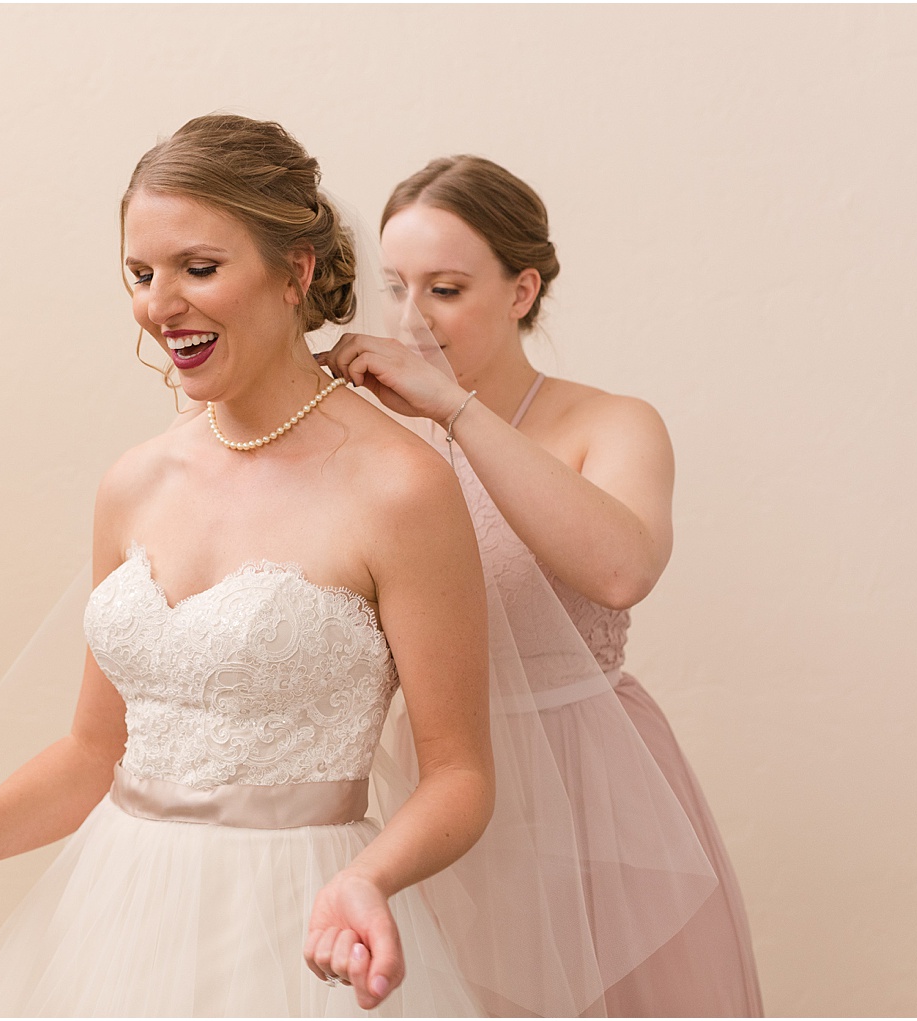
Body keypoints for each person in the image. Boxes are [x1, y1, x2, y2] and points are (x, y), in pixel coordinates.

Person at [0, 116, 495, 1017]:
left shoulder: (401, 487)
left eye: (198, 268)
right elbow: (92, 752)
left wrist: (366, 879)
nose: (159, 305)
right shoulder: (134, 482)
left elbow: (461, 773)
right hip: (113, 918)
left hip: (300, 920)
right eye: (140, 275)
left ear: (295, 271)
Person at [319, 155, 764, 1017]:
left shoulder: (612, 422)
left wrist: (454, 409)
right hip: (433, 794)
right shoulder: (370, 442)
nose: (411, 318)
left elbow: (621, 568)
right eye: (396, 287)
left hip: (590, 784)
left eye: (445, 289)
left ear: (522, 291)